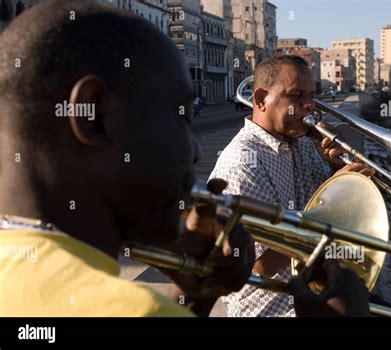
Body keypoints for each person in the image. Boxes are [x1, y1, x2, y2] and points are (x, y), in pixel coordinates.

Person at [0, 0, 255, 317]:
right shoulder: (139, 310)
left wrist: (194, 298)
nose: (197, 152)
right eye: (182, 117)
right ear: (95, 116)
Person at [209, 55, 374, 317]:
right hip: (272, 309)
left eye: (311, 95)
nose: (309, 105)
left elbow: (327, 197)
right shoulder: (242, 163)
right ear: (261, 99)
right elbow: (259, 266)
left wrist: (337, 166)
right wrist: (336, 202)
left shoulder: (303, 143)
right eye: (296, 95)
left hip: (317, 293)